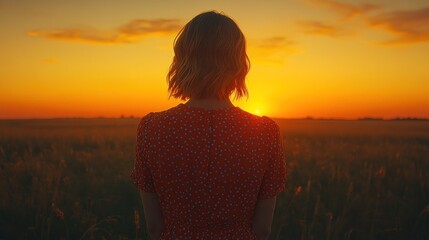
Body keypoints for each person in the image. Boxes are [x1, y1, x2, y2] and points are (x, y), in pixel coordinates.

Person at [131, 10, 287, 240]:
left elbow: (154, 227)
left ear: (182, 60)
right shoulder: (265, 133)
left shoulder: (152, 129)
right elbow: (263, 230)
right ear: (238, 64)